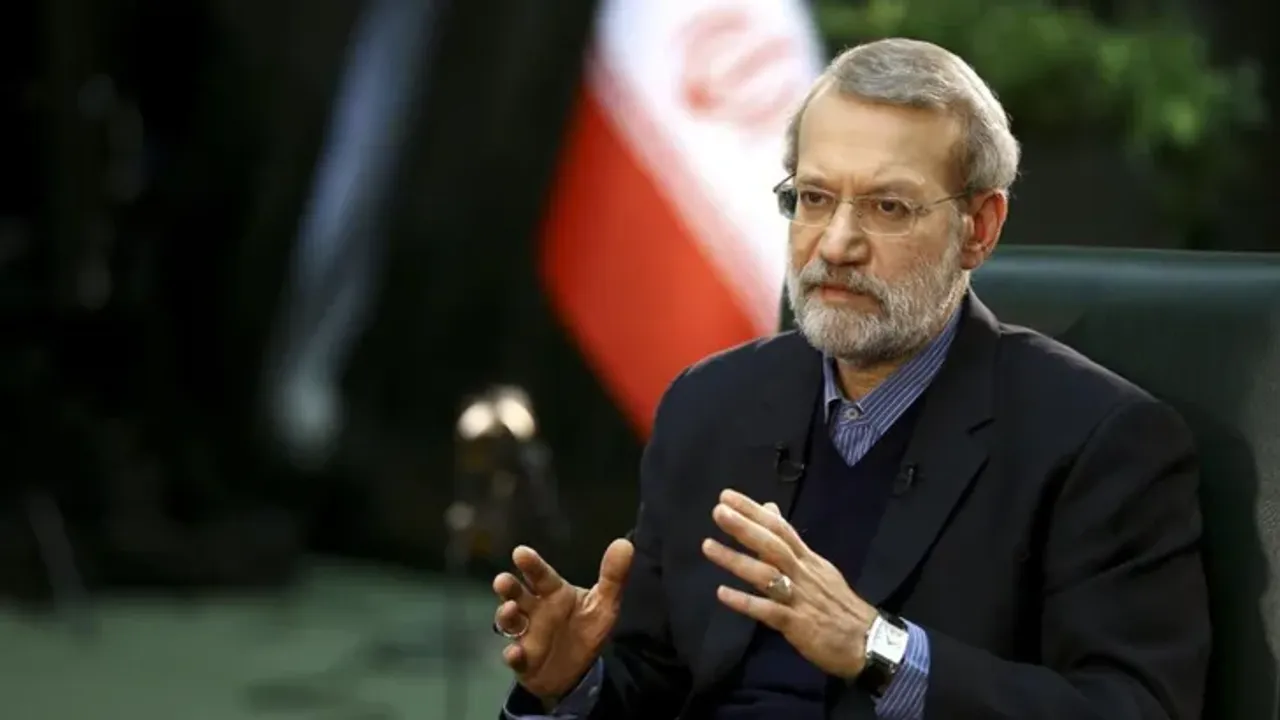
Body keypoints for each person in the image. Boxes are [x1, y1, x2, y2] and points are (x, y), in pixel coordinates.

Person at [491, 38, 1211, 719]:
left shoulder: (1097, 441)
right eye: (813, 198)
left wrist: (881, 649)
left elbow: (1133, 709)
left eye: (887, 207)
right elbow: (655, 685)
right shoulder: (709, 406)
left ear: (980, 228)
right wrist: (576, 684)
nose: (836, 245)